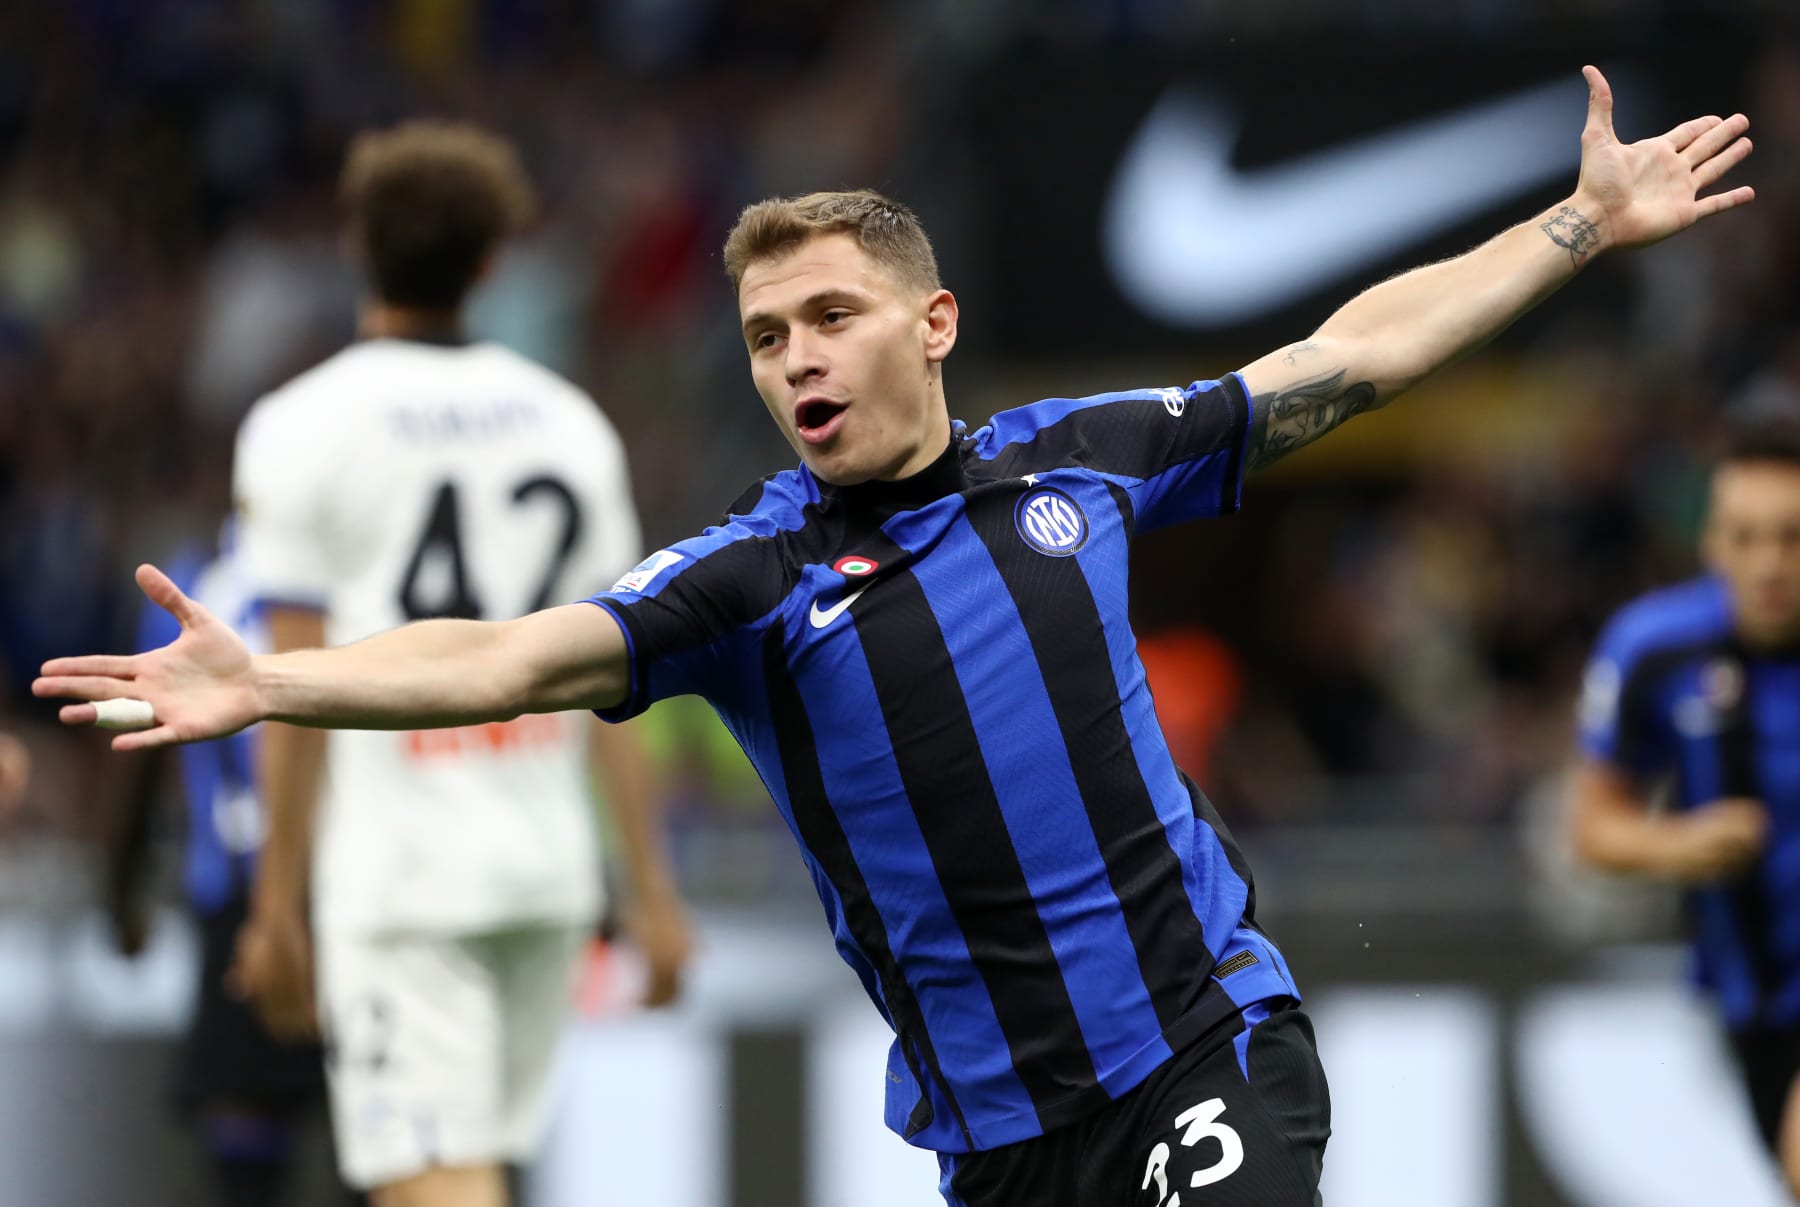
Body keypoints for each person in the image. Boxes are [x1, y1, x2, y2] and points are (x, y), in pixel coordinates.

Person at [37, 68, 1752, 1206]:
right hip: (996, 1140)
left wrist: (1583, 223)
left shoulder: (1080, 455)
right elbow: (507, 653)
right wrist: (271, 681)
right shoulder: (745, 579)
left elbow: (1351, 356)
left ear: (930, 326)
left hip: (1200, 1046)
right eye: (768, 329)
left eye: (831, 315)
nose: (794, 355)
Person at [212, 121, 692, 1207]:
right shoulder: (573, 426)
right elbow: (621, 673)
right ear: (490, 262)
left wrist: (275, 903)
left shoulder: (297, 424)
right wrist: (650, 890)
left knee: (437, 1182)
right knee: (477, 1172)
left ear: (355, 245)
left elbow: (290, 685)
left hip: (401, 874)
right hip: (544, 871)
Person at [1569, 416, 1800, 1197]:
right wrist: (1684, 844)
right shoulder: (1655, 648)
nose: (1770, 562)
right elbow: (1594, 824)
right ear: (1711, 542)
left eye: (1793, 537)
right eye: (1747, 536)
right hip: (1760, 1002)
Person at [105, 529, 362, 1207]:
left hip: (239, 901)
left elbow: (140, 740)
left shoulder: (194, 581)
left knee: (251, 1150)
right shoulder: (360, 567)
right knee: (381, 1144)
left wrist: (122, 890)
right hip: (354, 897)